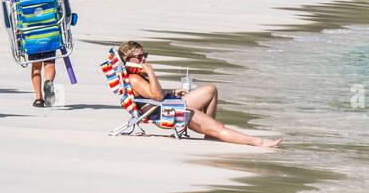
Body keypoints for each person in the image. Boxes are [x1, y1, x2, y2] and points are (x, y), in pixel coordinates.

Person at [116, 41, 282, 147]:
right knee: (219, 128)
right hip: (167, 111)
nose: (144, 59)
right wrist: (150, 72)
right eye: (140, 57)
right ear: (130, 59)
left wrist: (173, 91)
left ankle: (209, 133)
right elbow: (157, 97)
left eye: (145, 55)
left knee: (210, 90)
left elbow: (152, 95)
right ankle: (258, 142)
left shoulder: (136, 76)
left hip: (167, 103)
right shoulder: (134, 78)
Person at [25, 0, 58, 108]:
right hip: (49, 34)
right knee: (49, 63)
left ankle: (38, 98)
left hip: (32, 37)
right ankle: (49, 81)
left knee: (36, 66)